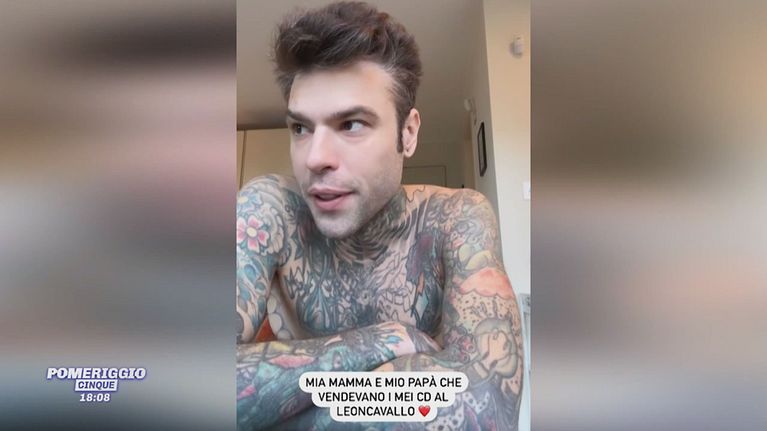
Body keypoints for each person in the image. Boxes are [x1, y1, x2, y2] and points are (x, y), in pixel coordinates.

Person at [236, 2, 523, 429]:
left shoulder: (455, 219)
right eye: (300, 128)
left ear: (408, 133)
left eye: (351, 124)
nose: (314, 158)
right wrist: (381, 340)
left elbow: (488, 408)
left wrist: (267, 410)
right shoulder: (270, 210)